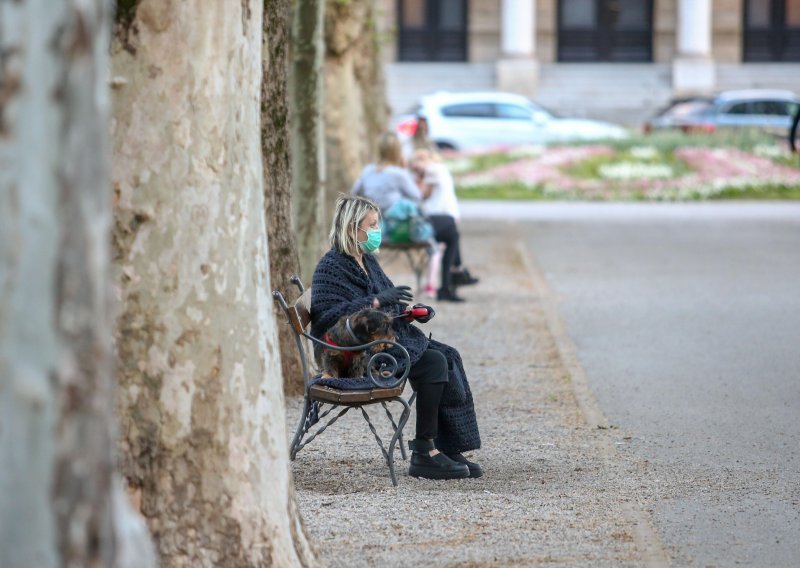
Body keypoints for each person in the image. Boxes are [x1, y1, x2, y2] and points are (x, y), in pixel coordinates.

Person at [310, 195, 482, 480]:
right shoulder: (331, 266)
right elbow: (329, 319)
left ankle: (446, 446)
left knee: (448, 355)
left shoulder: (367, 260)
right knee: (434, 362)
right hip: (357, 355)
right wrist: (375, 302)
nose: (378, 231)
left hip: (384, 342)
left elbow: (389, 306)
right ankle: (424, 453)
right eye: (373, 225)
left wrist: (411, 313)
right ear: (353, 229)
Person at [352, 132, 466, 302]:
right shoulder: (398, 173)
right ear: (397, 152)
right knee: (450, 227)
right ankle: (447, 285)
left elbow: (355, 192)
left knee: (449, 228)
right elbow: (417, 196)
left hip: (375, 228)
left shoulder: (368, 171)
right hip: (399, 229)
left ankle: (454, 277)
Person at [411, 149, 480, 299]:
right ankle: (455, 275)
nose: (417, 169)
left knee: (448, 241)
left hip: (436, 216)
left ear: (424, 160)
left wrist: (418, 177)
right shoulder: (440, 168)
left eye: (417, 165)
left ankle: (452, 278)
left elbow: (422, 195)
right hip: (446, 215)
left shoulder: (431, 170)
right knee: (452, 238)